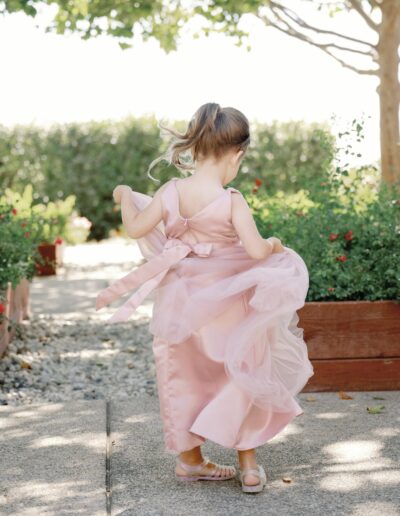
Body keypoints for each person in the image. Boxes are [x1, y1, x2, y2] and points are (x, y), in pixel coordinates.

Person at [95, 102, 314, 494]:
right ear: (238, 153)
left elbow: (134, 228)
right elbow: (257, 250)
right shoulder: (232, 201)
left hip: (181, 302)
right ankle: (248, 466)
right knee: (243, 371)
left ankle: (190, 460)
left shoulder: (171, 192)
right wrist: (275, 243)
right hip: (227, 304)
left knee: (185, 373)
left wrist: (127, 194)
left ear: (194, 147)